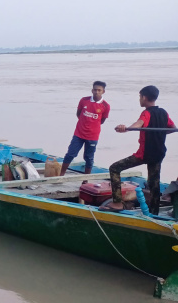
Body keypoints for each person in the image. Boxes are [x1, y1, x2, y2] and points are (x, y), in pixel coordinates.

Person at [101, 85, 175, 214]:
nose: (139, 100)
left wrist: (127, 128)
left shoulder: (146, 112)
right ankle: (154, 213)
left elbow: (139, 123)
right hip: (159, 153)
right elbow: (173, 128)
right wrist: (159, 134)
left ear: (144, 97)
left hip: (144, 154)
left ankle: (117, 203)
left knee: (114, 168)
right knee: (154, 183)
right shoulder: (164, 112)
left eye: (140, 97)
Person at [60, 81, 110, 176]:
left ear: (103, 91)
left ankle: (86, 178)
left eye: (99, 90)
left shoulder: (106, 106)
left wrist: (92, 124)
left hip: (92, 136)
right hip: (79, 134)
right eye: (95, 90)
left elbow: (102, 121)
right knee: (70, 154)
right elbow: (78, 114)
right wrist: (84, 122)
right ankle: (61, 174)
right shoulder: (84, 100)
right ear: (92, 90)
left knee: (89, 157)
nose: (96, 92)